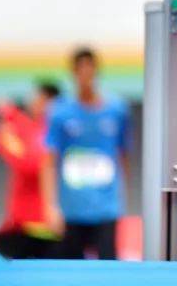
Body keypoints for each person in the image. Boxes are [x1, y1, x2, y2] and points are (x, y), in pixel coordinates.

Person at [42, 47, 131, 259]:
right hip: (72, 208)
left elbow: (123, 155)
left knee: (108, 266)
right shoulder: (60, 112)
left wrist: (121, 197)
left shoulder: (117, 110)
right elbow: (49, 161)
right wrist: (50, 206)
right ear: (73, 73)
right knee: (70, 266)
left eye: (89, 69)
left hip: (106, 207)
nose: (85, 75)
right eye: (80, 70)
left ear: (96, 71)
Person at [0, 81, 60, 259]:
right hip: (22, 224)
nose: (32, 102)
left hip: (50, 225)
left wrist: (10, 114)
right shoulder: (28, 130)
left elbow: (32, 165)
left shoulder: (54, 134)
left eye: (38, 98)